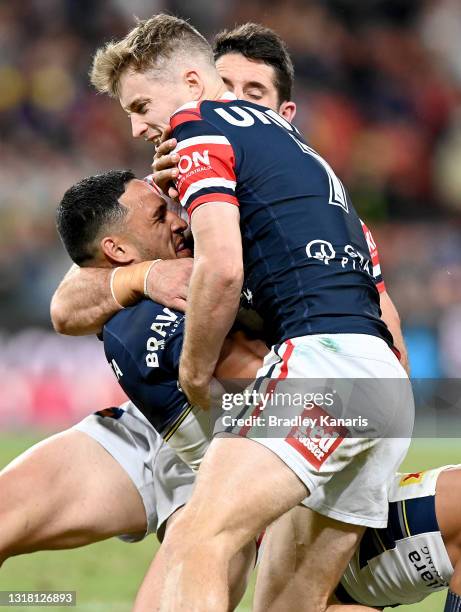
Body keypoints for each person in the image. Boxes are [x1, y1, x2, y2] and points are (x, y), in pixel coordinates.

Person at [89, 15, 413, 612]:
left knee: (196, 539)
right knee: (288, 605)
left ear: (191, 81)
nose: (136, 127)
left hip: (322, 363)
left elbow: (222, 266)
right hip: (383, 385)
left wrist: (193, 371)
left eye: (139, 104)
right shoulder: (296, 149)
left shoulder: (196, 127)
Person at [50, 23, 408, 378]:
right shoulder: (164, 192)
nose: (231, 104)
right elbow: (66, 306)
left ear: (282, 118)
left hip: (286, 373)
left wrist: (195, 370)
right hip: (211, 386)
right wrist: (146, 276)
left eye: (252, 94)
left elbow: (382, 322)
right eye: (224, 88)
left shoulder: (317, 210)